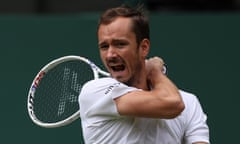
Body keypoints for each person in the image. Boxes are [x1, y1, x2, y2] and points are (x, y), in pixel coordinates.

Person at [79, 4, 209, 144]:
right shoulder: (95, 91)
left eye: (120, 44)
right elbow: (173, 104)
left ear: (144, 48)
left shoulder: (189, 102)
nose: (110, 54)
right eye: (104, 46)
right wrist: (155, 71)